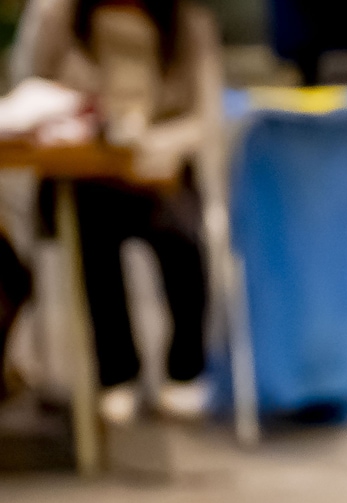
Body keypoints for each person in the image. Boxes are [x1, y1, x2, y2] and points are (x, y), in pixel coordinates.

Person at [30, 0, 219, 424]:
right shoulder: (61, 16)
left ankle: (185, 368)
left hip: (162, 162)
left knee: (183, 239)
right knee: (93, 239)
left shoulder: (187, 21)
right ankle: (117, 373)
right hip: (90, 165)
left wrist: (160, 144)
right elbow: (36, 92)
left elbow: (206, 114)